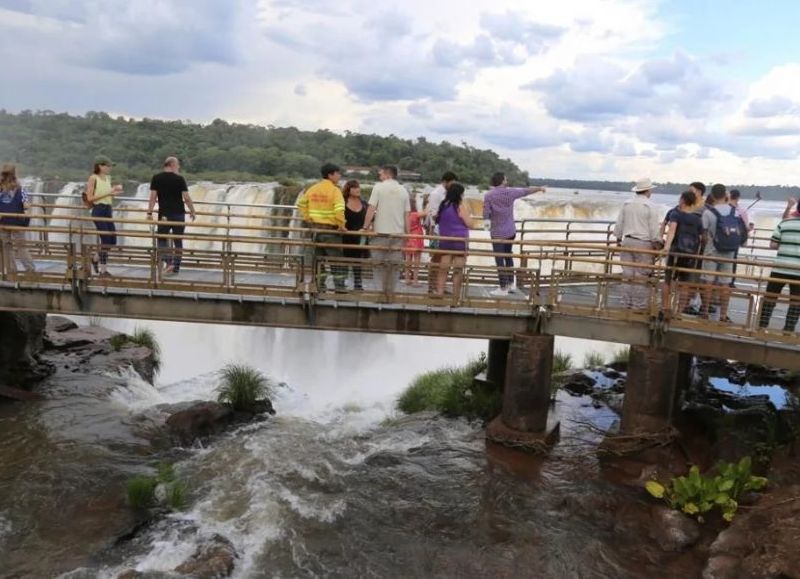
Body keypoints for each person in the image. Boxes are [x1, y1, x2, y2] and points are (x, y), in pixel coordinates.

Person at [482, 171, 546, 296]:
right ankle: (511, 284)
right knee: (508, 256)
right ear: (502, 181)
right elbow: (526, 191)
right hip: (510, 230)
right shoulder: (510, 192)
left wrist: (486, 227)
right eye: (506, 179)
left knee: (499, 259)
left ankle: (503, 287)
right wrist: (539, 188)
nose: (507, 181)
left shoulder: (489, 195)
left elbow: (486, 213)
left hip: (497, 232)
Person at [613, 178, 663, 309]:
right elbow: (653, 229)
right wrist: (657, 243)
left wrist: (618, 239)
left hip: (627, 240)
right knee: (641, 275)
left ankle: (626, 303)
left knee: (627, 274)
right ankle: (638, 305)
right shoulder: (651, 206)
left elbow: (619, 223)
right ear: (648, 190)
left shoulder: (627, 203)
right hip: (643, 243)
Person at [296, 163, 347, 292]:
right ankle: (340, 288)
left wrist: (308, 217)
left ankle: (319, 286)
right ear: (330, 175)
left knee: (319, 261)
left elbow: (301, 204)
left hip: (315, 230)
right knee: (336, 261)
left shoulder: (313, 188)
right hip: (331, 231)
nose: (339, 176)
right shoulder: (335, 190)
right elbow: (339, 210)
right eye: (338, 173)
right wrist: (341, 225)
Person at [363, 165, 409, 295]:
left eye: (381, 174)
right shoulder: (403, 190)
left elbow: (371, 208)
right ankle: (391, 293)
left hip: (380, 234)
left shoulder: (378, 187)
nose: (380, 176)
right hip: (398, 235)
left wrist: (365, 226)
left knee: (378, 265)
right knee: (394, 266)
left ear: (388, 174)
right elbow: (407, 214)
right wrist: (408, 233)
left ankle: (379, 292)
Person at [147, 157, 196, 275]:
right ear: (172, 165)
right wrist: (192, 211)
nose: (179, 167)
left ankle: (169, 263)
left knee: (161, 239)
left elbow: (153, 197)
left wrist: (149, 212)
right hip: (179, 214)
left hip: (164, 215)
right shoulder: (179, 179)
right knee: (178, 241)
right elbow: (186, 197)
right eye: (178, 165)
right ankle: (176, 268)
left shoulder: (156, 178)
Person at [700, 184, 741, 321]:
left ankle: (705, 311)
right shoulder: (735, 211)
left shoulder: (708, 213)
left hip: (711, 251)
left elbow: (704, 235)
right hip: (729, 252)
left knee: (708, 282)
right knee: (725, 284)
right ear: (725, 195)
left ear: (711, 196)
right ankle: (723, 315)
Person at [661, 190, 703, 314]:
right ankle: (679, 311)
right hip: (690, 254)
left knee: (668, 280)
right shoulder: (697, 219)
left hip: (675, 252)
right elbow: (700, 238)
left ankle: (665, 307)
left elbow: (672, 230)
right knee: (684, 284)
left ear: (683, 200)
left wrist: (666, 247)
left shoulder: (676, 214)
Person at [758, 211, 800, 333]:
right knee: (796, 302)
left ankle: (762, 326)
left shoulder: (784, 223)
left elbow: (773, 245)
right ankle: (788, 329)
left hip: (780, 267)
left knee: (770, 297)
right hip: (798, 271)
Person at [434, 183, 474, 298]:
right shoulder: (459, 207)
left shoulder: (443, 206)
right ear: (459, 194)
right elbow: (470, 224)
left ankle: (439, 292)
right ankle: (455, 296)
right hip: (459, 242)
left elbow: (437, 220)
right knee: (458, 270)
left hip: (445, 240)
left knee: (443, 269)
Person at [84, 155, 122, 277]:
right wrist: (109, 192)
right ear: (100, 166)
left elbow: (107, 195)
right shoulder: (93, 178)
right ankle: (103, 270)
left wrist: (114, 193)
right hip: (98, 210)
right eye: (108, 166)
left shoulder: (108, 178)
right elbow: (90, 198)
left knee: (112, 240)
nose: (110, 168)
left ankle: (95, 258)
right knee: (105, 240)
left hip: (108, 210)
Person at [425, 171, 458, 293]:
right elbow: (434, 215)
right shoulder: (436, 194)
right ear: (445, 181)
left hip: (449, 232)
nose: (453, 185)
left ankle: (440, 286)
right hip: (438, 231)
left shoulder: (451, 194)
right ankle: (432, 286)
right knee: (436, 259)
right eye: (452, 183)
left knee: (446, 260)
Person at [0, 163, 35, 276]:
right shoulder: (21, 189)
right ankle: (30, 270)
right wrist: (28, 216)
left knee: (6, 247)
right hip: (18, 222)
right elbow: (26, 206)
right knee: (21, 247)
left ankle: (11, 271)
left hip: (3, 221)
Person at [342, 179, 368, 291]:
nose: (358, 189)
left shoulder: (364, 204)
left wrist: (368, 228)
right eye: (354, 187)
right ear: (349, 189)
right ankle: (342, 285)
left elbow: (371, 219)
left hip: (360, 237)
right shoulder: (342, 202)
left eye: (358, 187)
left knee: (358, 262)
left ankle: (358, 284)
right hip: (345, 236)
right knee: (344, 261)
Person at [727, 189, 754, 288]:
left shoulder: (722, 209)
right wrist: (750, 228)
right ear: (738, 198)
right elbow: (746, 227)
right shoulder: (742, 210)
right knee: (733, 261)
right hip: (735, 241)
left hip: (721, 240)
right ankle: (731, 282)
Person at [403, 195, 426, 286]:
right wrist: (427, 204)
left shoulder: (405, 215)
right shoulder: (415, 214)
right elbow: (426, 213)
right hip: (417, 239)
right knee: (416, 261)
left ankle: (407, 279)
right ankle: (415, 280)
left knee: (407, 260)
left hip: (408, 239)